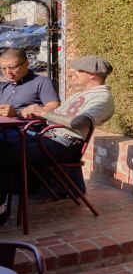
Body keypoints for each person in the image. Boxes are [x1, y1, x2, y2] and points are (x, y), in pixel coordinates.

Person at [0, 55, 115, 221]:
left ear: (92, 75)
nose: (73, 73)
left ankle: (1, 209)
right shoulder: (80, 95)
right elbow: (55, 117)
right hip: (47, 138)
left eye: (78, 70)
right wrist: (30, 112)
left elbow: (78, 123)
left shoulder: (103, 99)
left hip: (62, 146)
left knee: (3, 154)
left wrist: (44, 112)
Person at [0, 47, 60, 117]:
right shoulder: (4, 86)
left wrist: (18, 113)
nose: (8, 72)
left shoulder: (41, 82)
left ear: (26, 64)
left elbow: (54, 107)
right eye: (3, 68)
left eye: (12, 67)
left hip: (27, 127)